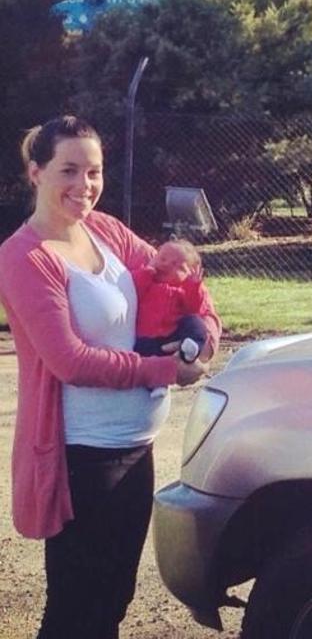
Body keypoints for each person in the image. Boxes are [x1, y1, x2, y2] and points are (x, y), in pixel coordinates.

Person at [0, 115, 221, 639]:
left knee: (114, 597)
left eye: (94, 171)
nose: (85, 186)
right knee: (78, 607)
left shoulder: (104, 230)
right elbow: (70, 360)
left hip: (135, 448)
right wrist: (167, 369)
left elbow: (182, 276)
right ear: (36, 172)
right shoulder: (23, 257)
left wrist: (205, 331)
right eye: (68, 170)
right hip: (84, 458)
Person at [133, 238, 210, 397]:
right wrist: (147, 271)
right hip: (147, 335)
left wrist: (194, 286)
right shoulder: (147, 282)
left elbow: (194, 308)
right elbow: (134, 289)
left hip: (172, 333)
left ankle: (191, 348)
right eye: (162, 258)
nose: (167, 264)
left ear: (188, 273)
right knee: (145, 355)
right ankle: (157, 384)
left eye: (177, 265)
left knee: (195, 323)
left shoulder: (182, 290)